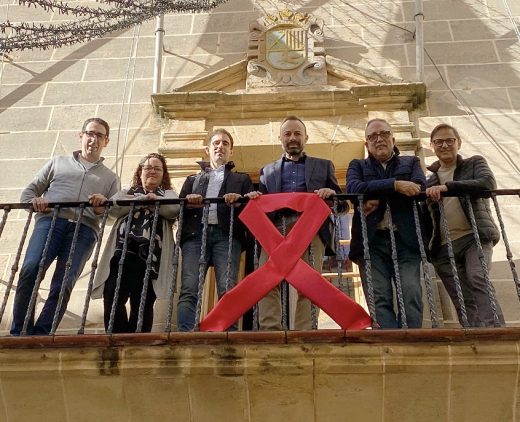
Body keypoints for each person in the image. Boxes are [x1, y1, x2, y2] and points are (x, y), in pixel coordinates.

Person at [11, 117, 119, 335]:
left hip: (84, 230)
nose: (94, 139)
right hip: (50, 222)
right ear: (81, 136)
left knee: (64, 283)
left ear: (106, 142)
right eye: (90, 133)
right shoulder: (58, 162)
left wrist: (101, 208)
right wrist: (36, 202)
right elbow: (28, 194)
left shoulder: (110, 178)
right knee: (30, 269)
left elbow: (114, 215)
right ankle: (19, 331)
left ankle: (42, 332)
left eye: (100, 135)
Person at [257, 115, 344, 330]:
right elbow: (261, 206)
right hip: (275, 231)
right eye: (287, 134)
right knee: (266, 281)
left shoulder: (324, 166)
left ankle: (305, 332)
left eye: (297, 133)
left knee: (309, 284)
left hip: (311, 230)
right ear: (280, 138)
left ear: (306, 137)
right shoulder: (267, 171)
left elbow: (342, 206)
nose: (293, 138)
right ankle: (270, 332)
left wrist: (331, 195)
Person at [347, 118, 426, 328]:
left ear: (393, 138)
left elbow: (419, 187)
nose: (378, 139)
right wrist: (396, 185)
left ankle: (410, 343)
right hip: (371, 243)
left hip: (405, 240)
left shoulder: (411, 163)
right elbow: (354, 188)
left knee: (411, 294)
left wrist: (376, 193)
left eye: (383, 134)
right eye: (372, 136)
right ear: (366, 144)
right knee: (379, 298)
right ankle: (390, 344)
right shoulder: (358, 165)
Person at [424, 123, 505, 327]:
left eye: (449, 140)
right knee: (461, 296)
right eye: (438, 141)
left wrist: (448, 187)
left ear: (458, 143)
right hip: (444, 246)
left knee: (478, 277)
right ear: (432, 146)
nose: (444, 145)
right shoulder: (430, 180)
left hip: (474, 236)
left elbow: (487, 184)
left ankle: (493, 330)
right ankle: (474, 335)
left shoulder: (474, 163)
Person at [177, 128, 254, 331]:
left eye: (225, 144)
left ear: (231, 151)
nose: (220, 147)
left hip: (226, 236)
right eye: (216, 143)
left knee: (227, 288)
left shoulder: (241, 179)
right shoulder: (192, 180)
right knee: (189, 288)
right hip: (195, 236)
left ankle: (228, 332)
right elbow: (179, 208)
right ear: (207, 149)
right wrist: (188, 201)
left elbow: (251, 207)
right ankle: (185, 333)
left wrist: (239, 201)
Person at [92, 153, 179, 333]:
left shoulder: (169, 194)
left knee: (143, 301)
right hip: (122, 252)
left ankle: (137, 342)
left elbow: (172, 209)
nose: (152, 171)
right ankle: (117, 338)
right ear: (140, 172)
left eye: (157, 168)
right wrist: (142, 200)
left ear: (164, 174)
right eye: (148, 168)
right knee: (112, 295)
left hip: (152, 257)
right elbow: (114, 208)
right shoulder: (128, 192)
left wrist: (152, 201)